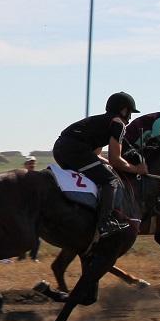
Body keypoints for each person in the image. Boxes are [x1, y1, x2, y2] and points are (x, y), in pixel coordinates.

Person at [53, 91, 147, 249]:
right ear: (123, 110)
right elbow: (115, 159)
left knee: (102, 173)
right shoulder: (118, 123)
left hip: (61, 148)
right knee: (110, 180)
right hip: (74, 149)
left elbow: (97, 154)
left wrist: (108, 165)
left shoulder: (104, 121)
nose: (130, 117)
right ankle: (106, 223)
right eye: (130, 112)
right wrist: (136, 169)